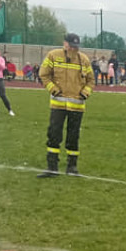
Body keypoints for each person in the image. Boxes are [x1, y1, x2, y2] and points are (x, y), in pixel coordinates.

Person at [38, 32, 95, 177]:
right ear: (65, 44)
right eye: (71, 46)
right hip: (58, 105)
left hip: (77, 106)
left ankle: (72, 167)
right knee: (54, 134)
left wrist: (85, 93)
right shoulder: (53, 55)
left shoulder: (84, 60)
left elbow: (91, 80)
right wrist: (53, 90)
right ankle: (52, 167)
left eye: (76, 46)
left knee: (73, 137)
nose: (73, 49)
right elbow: (43, 74)